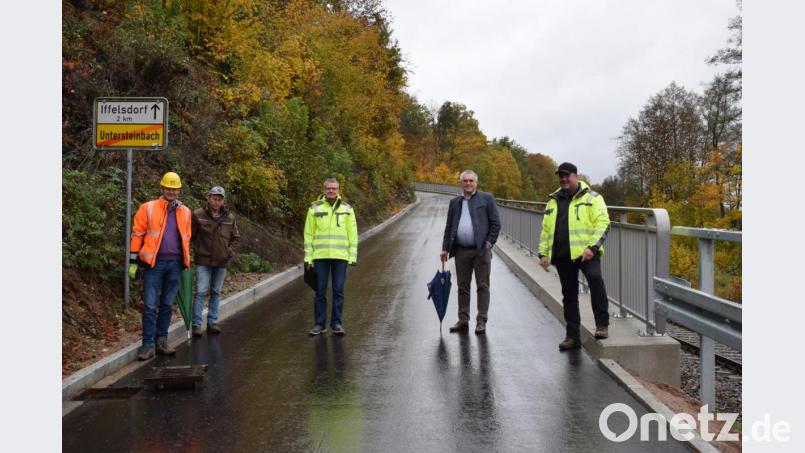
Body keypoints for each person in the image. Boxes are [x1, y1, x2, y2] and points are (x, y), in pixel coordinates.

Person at [537, 162, 611, 351]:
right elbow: (546, 230)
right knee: (569, 295)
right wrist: (543, 253)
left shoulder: (593, 198)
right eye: (561, 176)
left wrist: (592, 248)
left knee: (595, 280)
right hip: (563, 254)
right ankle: (572, 336)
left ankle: (602, 324)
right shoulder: (553, 201)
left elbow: (603, 223)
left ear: (576, 176)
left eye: (567, 175)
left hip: (587, 254)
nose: (563, 179)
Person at [129, 171, 192, 360]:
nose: (171, 191)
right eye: (168, 188)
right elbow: (137, 235)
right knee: (150, 305)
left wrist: (186, 262)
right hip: (153, 265)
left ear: (179, 190)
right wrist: (133, 261)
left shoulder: (185, 212)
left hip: (175, 264)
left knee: (166, 304)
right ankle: (148, 345)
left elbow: (186, 238)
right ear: (162, 188)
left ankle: (162, 342)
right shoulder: (147, 208)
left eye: (175, 188)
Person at [440, 170, 501, 335]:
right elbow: (449, 227)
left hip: (481, 251)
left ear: (476, 183)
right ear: (461, 183)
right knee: (462, 287)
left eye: (471, 181)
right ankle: (463, 320)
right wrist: (445, 248)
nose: (468, 183)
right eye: (465, 181)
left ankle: (481, 321)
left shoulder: (486, 199)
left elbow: (496, 224)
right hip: (461, 251)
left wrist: (489, 243)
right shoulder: (455, 203)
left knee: (482, 286)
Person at [303, 178, 358, 336]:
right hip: (320, 257)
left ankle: (336, 324)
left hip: (340, 257)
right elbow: (308, 234)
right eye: (328, 188)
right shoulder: (314, 208)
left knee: (338, 290)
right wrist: (308, 257)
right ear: (324, 189)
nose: (331, 191)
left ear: (338, 190)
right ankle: (319, 324)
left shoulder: (347, 209)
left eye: (334, 188)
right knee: (320, 291)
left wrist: (352, 257)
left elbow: (352, 234)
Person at [191, 186, 240, 337]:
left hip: (221, 261)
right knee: (200, 291)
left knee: (216, 292)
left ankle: (212, 321)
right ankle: (196, 324)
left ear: (223, 200)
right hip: (203, 260)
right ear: (209, 198)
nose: (216, 202)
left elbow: (235, 237)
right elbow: (190, 235)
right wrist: (196, 250)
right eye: (214, 198)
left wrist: (228, 251)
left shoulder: (229, 218)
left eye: (219, 199)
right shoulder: (198, 215)